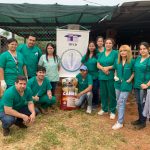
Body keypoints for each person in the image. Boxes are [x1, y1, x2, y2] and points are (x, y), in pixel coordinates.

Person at [112, 45, 134, 130]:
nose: (122, 52)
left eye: (124, 51)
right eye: (121, 51)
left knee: (121, 102)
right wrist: (115, 76)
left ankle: (120, 122)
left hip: (126, 85)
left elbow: (134, 72)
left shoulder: (132, 61)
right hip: (117, 84)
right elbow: (115, 70)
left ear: (128, 52)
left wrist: (129, 80)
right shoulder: (117, 61)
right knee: (118, 101)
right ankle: (120, 115)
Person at [97, 38, 118, 119]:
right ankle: (104, 109)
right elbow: (98, 65)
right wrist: (103, 69)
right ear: (104, 44)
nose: (108, 44)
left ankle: (112, 111)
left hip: (111, 76)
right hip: (102, 76)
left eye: (110, 43)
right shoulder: (101, 54)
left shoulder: (115, 53)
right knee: (103, 94)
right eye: (106, 43)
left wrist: (107, 68)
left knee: (111, 94)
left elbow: (116, 64)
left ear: (112, 44)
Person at [132, 42, 150, 130]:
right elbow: (134, 70)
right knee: (139, 103)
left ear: (148, 49)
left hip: (145, 86)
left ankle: (143, 122)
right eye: (141, 49)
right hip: (136, 84)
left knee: (143, 104)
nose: (142, 50)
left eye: (144, 49)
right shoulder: (138, 58)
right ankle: (140, 119)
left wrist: (147, 84)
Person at [81, 41, 99, 108]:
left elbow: (100, 64)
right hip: (87, 76)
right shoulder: (86, 56)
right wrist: (83, 72)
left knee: (95, 90)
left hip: (95, 75)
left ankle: (95, 103)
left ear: (95, 47)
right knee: (87, 90)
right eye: (90, 46)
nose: (91, 47)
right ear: (88, 47)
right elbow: (82, 64)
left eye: (93, 46)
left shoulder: (97, 55)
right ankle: (86, 102)